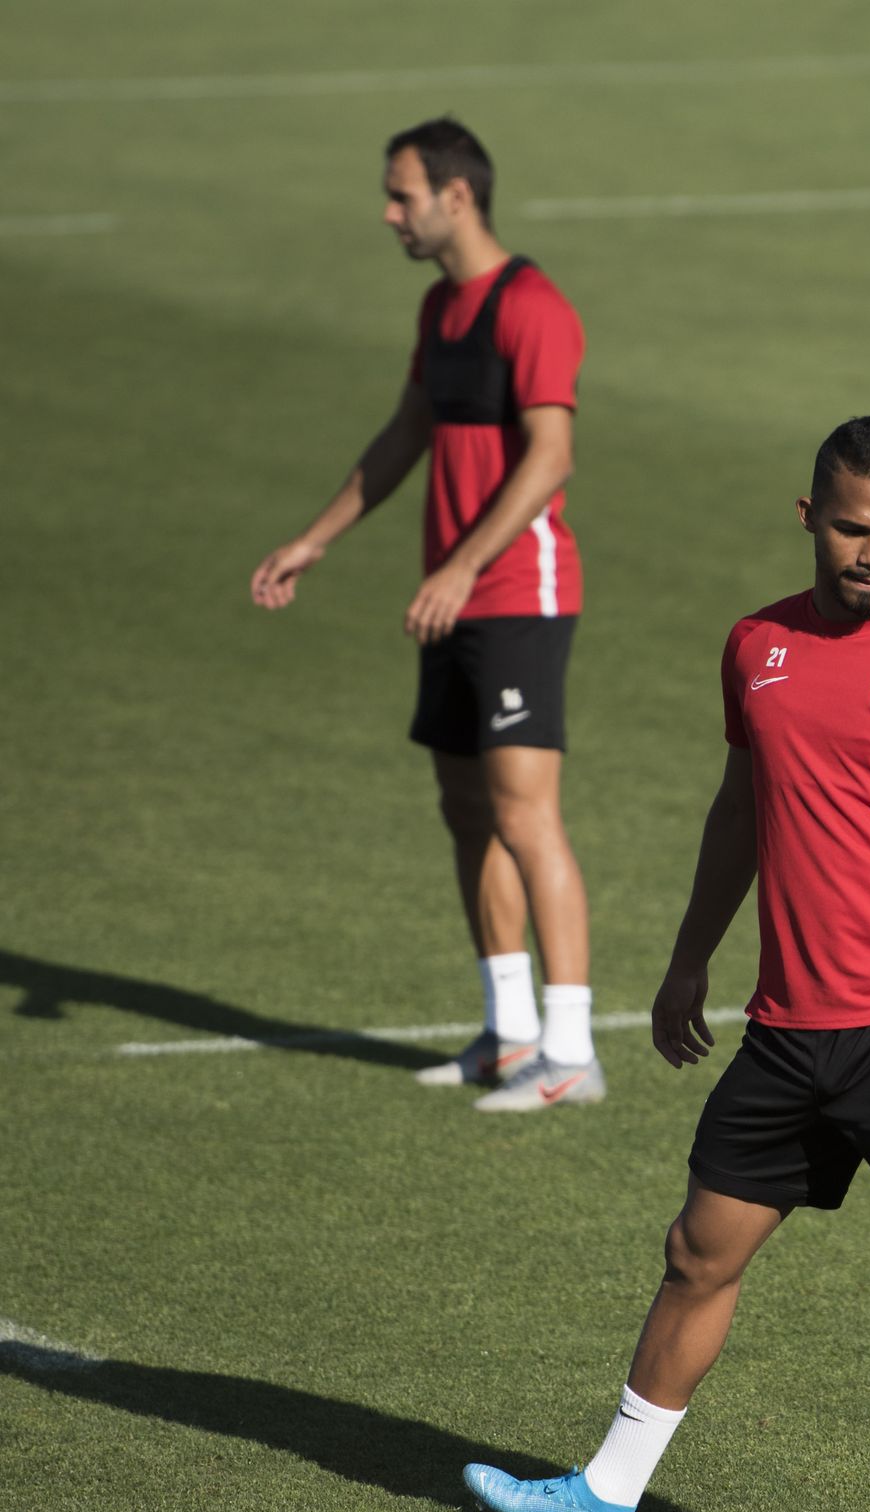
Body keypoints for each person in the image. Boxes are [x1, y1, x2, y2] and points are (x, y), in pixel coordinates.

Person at [466, 415, 870, 1512]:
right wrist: (688, 960)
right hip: (785, 1031)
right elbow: (741, 808)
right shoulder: (757, 647)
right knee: (696, 1255)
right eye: (848, 528)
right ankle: (604, 1496)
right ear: (808, 516)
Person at [249, 117, 601, 1111]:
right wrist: (316, 538)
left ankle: (571, 1049)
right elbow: (408, 431)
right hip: (452, 598)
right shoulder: (441, 310)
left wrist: (461, 566)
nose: (388, 211)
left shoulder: (532, 307)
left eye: (401, 194)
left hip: (518, 595)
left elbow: (550, 456)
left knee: (528, 816)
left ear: (458, 196)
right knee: (465, 812)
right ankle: (509, 1030)